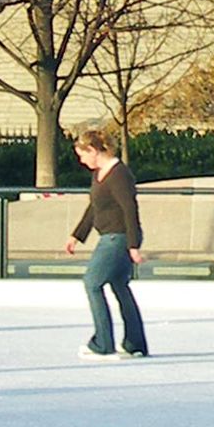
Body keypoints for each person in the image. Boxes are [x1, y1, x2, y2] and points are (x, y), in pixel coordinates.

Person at [64, 126, 148, 359]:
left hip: (116, 238)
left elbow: (129, 209)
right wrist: (77, 235)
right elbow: (94, 207)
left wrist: (133, 245)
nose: (81, 161)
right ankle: (135, 344)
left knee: (92, 282)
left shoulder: (119, 174)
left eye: (82, 155)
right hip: (110, 236)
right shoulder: (99, 173)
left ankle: (103, 343)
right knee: (120, 286)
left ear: (93, 150)